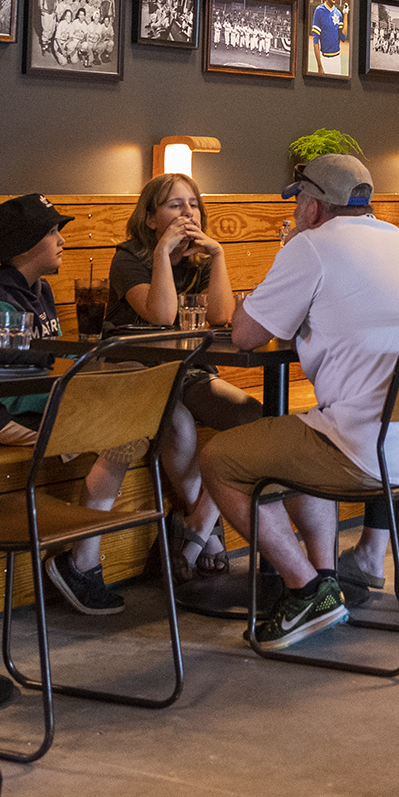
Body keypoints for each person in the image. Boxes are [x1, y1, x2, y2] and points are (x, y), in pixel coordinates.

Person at [201, 155, 399, 647]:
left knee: (220, 459)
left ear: (314, 206)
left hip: (367, 449)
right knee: (304, 429)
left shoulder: (312, 247)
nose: (296, 208)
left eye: (297, 199)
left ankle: (305, 588)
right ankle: (325, 583)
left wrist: (290, 254)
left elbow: (247, 334)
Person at [0, 194, 142, 613]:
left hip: (38, 404)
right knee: (125, 436)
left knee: (133, 427)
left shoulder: (40, 292)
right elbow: (4, 387)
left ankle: (79, 560)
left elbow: (52, 359)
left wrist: (92, 375)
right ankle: (80, 562)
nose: (61, 240)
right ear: (23, 247)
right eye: (52, 231)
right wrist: (86, 391)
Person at [107, 174, 265, 579]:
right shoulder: (128, 258)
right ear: (150, 218)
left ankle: (198, 523)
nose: (187, 213)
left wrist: (219, 257)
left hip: (188, 370)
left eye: (192, 204)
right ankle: (208, 533)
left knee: (253, 418)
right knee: (177, 424)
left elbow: (219, 317)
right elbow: (160, 316)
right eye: (174, 206)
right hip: (136, 372)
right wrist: (162, 253)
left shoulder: (197, 261)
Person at [310, 0, 346, 76]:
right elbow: (316, 40)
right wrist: (319, 65)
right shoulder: (319, 11)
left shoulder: (338, 13)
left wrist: (346, 14)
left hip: (337, 59)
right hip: (324, 59)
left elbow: (343, 37)